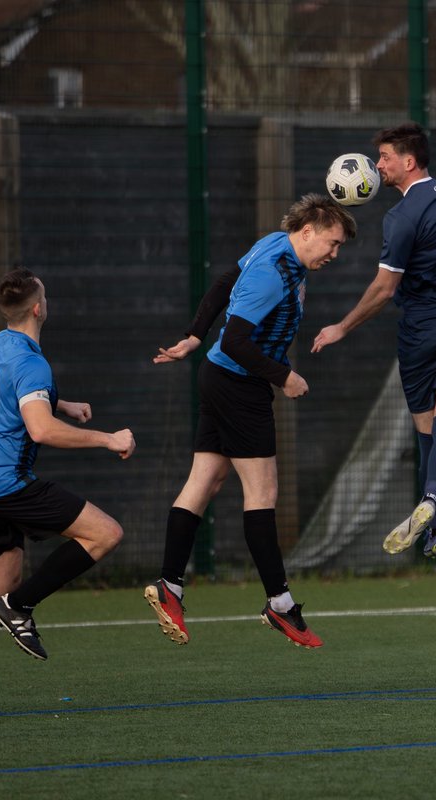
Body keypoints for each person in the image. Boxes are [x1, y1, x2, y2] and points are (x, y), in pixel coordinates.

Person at [144, 193, 357, 649]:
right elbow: (237, 341)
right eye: (333, 243)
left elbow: (225, 282)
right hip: (239, 386)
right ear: (308, 232)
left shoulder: (277, 244)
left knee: (204, 482)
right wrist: (285, 377)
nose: (335, 254)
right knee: (262, 493)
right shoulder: (272, 274)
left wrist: (194, 335)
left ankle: (170, 586)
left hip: (219, 377)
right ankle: (280, 603)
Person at [0, 268, 135, 715]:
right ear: (39, 308)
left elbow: (15, 395)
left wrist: (63, 402)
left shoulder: (1, 342)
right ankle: (19, 607)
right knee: (105, 534)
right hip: (3, 480)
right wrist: (108, 439)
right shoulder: (32, 362)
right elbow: (40, 430)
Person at [311, 121, 436, 560]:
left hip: (424, 328)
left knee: (427, 430)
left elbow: (384, 288)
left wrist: (342, 326)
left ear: (409, 162)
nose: (378, 165)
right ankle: (435, 525)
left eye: (385, 157)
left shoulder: (403, 215)